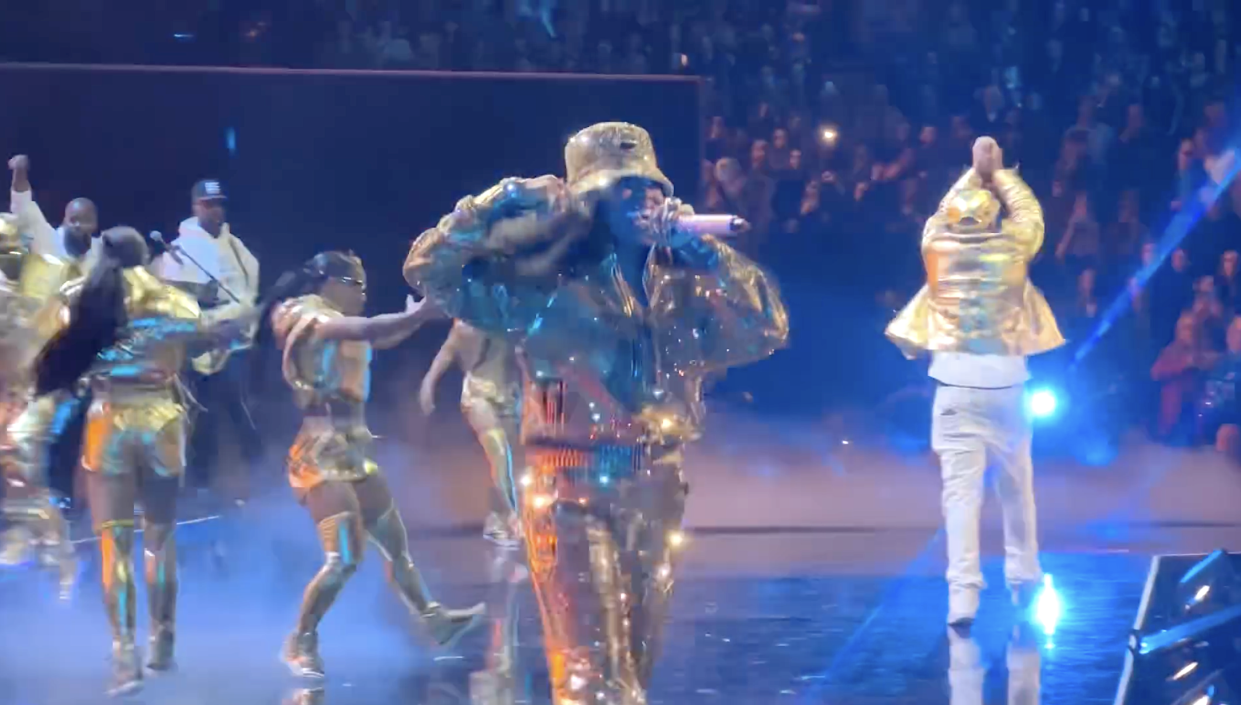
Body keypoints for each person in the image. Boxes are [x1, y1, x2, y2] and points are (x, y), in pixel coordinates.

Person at [405, 122, 789, 704]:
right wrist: (494, 204)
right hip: (567, 491)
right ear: (590, 201)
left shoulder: (681, 289)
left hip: (657, 486)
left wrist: (705, 253)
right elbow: (430, 272)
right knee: (594, 684)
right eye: (624, 189)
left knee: (633, 673)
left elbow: (766, 328)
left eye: (649, 186)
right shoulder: (541, 289)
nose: (644, 199)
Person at [33, 226, 253, 695]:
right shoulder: (172, 299)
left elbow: (58, 356)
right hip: (161, 421)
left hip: (108, 419)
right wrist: (228, 329)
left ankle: (124, 658)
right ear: (148, 256)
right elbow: (209, 352)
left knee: (114, 544)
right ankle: (163, 649)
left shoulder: (82, 297)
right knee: (160, 538)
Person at [258, 251, 483, 680]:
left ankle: (434, 619)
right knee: (343, 558)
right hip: (320, 454)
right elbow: (369, 328)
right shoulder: (311, 317)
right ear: (330, 283)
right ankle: (299, 640)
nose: (363, 295)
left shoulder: (343, 324)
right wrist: (416, 315)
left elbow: (377, 337)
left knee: (396, 546)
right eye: (357, 286)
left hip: (355, 450)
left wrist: (414, 318)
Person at [886, 136, 1064, 626]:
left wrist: (973, 170)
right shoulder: (1011, 247)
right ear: (991, 219)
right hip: (1006, 387)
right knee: (1016, 489)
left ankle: (962, 596)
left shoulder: (937, 246)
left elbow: (941, 211)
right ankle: (1024, 578)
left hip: (954, 388)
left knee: (960, 498)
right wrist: (1000, 172)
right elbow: (1031, 214)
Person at [0, 154, 103, 590]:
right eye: (75, 222)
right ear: (65, 220)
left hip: (58, 374)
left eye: (88, 225)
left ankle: (47, 545)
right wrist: (19, 173)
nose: (81, 230)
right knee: (18, 450)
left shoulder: (98, 260)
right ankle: (32, 535)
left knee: (27, 446)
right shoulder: (44, 240)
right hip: (21, 365)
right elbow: (22, 203)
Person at [152, 179, 261, 501]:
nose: (215, 210)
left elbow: (247, 289)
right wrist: (208, 317)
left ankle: (260, 477)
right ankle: (201, 485)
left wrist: (239, 320)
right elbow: (172, 300)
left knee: (240, 409)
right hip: (200, 347)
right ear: (195, 206)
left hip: (237, 343)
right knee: (202, 416)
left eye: (219, 204)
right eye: (208, 204)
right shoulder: (180, 249)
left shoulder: (236, 245)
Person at [420, 320, 522, 547]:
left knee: (510, 463)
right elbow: (447, 353)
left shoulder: (507, 319)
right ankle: (513, 517)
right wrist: (429, 383)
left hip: (507, 397)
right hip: (477, 395)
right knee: (499, 454)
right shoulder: (466, 325)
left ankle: (496, 521)